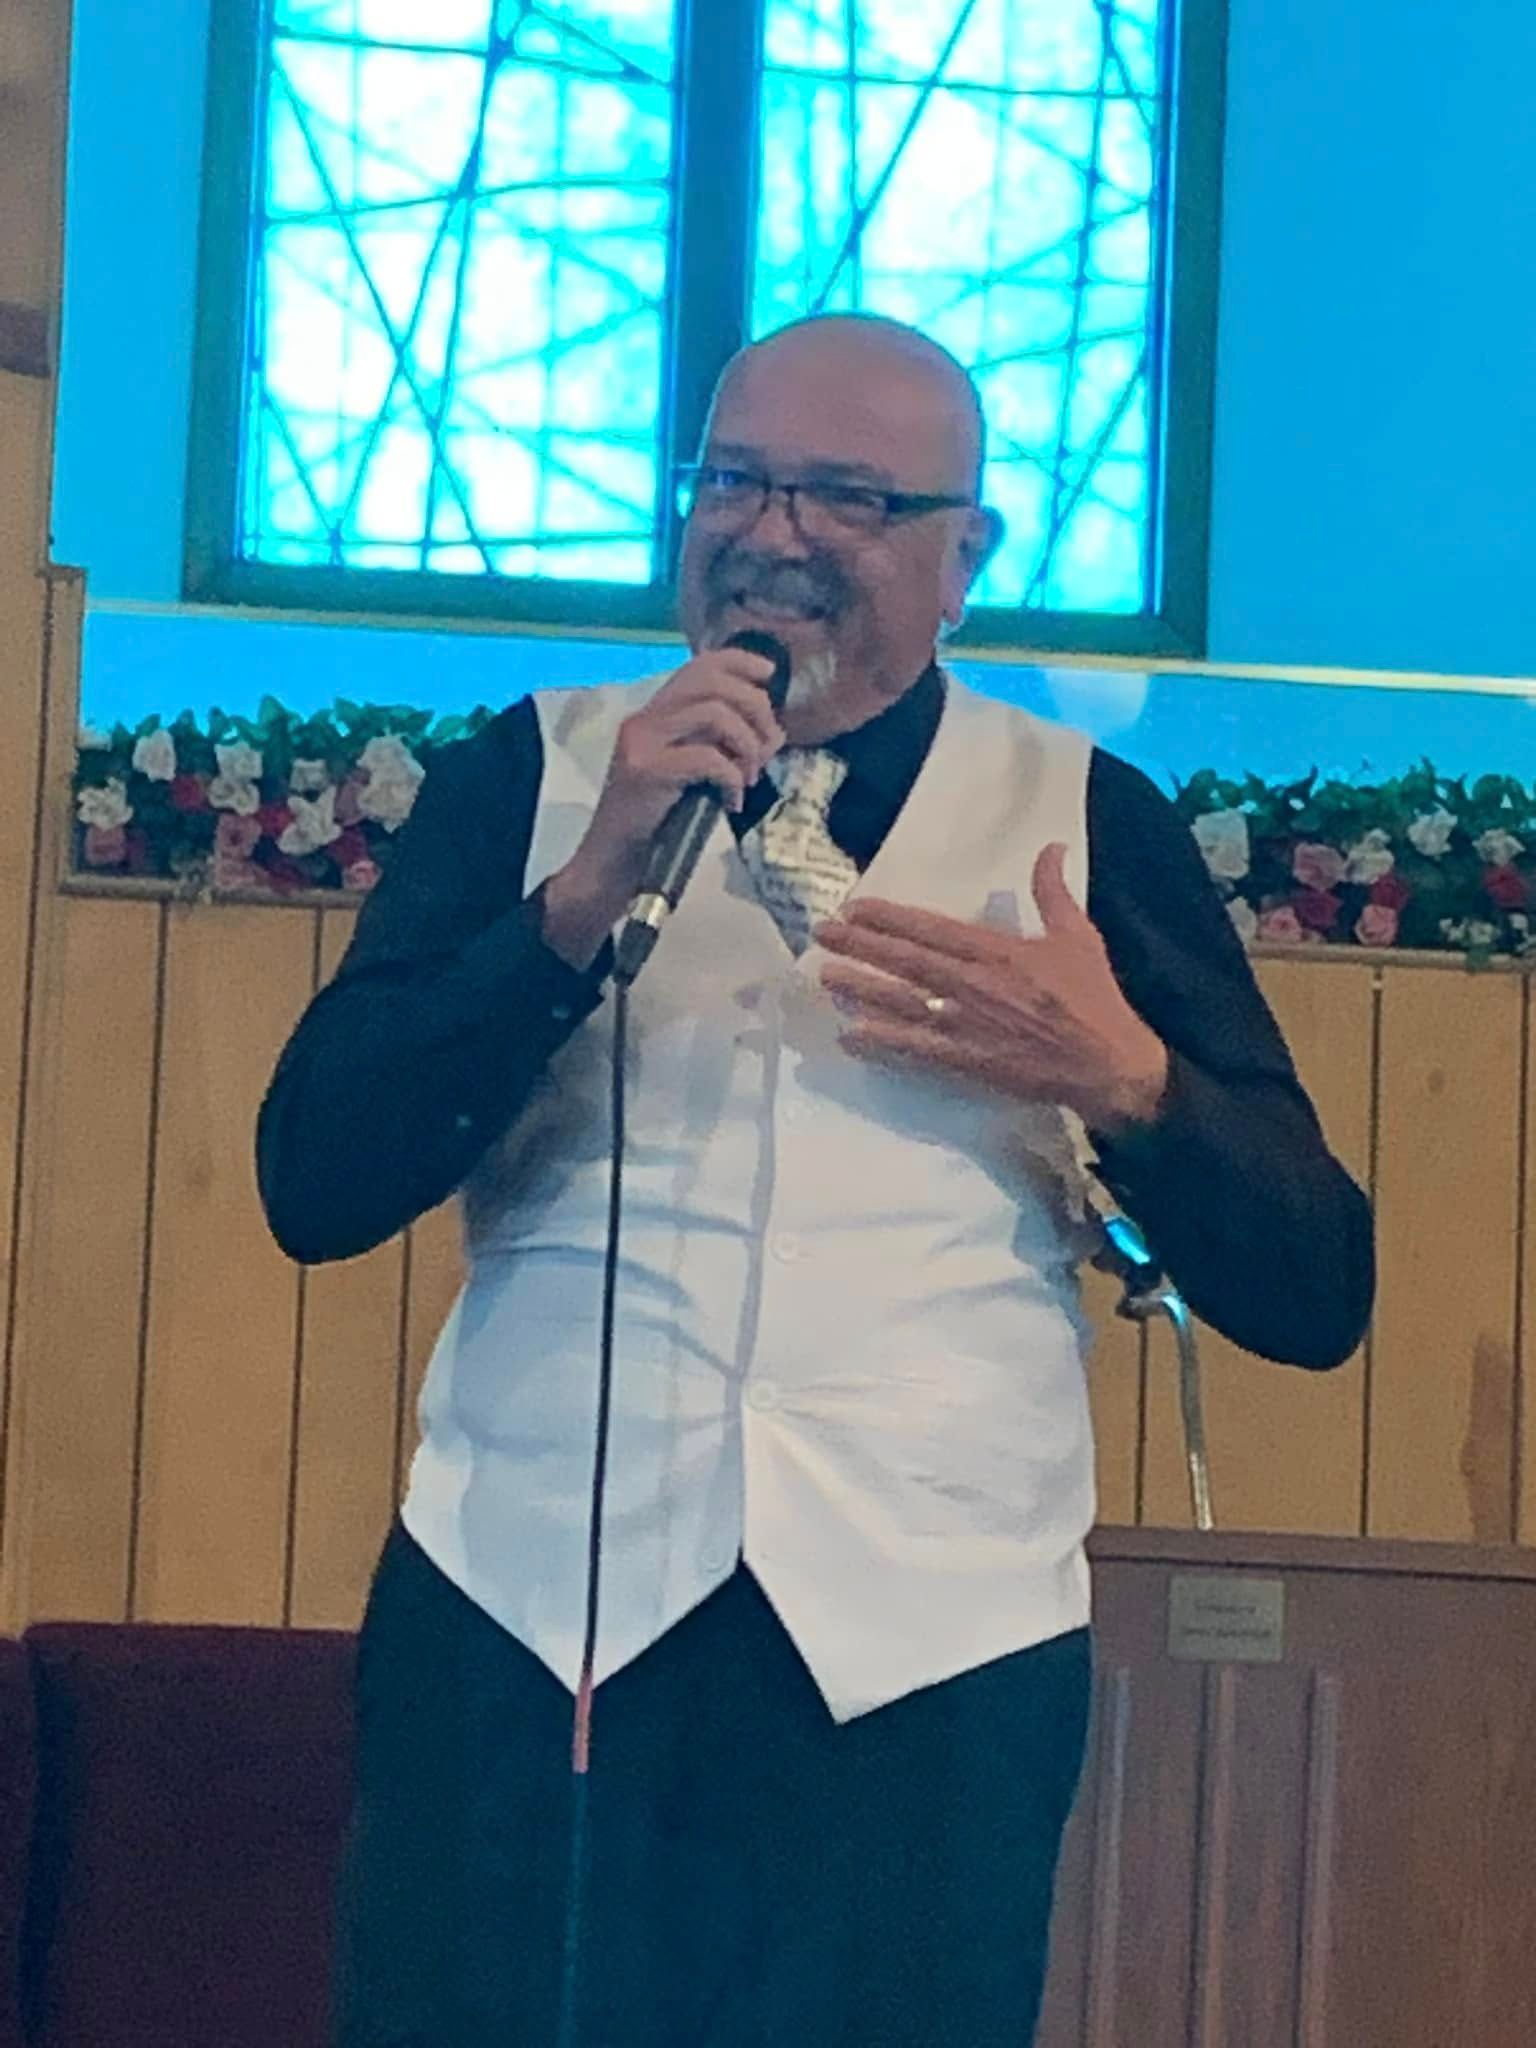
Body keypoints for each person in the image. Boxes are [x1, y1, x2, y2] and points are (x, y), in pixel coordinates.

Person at [258, 314, 1374, 2047]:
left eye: (844, 496)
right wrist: (572, 903)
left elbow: (1320, 1287)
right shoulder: (536, 773)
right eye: (737, 478)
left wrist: (1129, 1083)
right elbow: (314, 1178)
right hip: (528, 1622)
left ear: (963, 560)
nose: (769, 531)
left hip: (924, 1664)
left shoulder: (1087, 815)